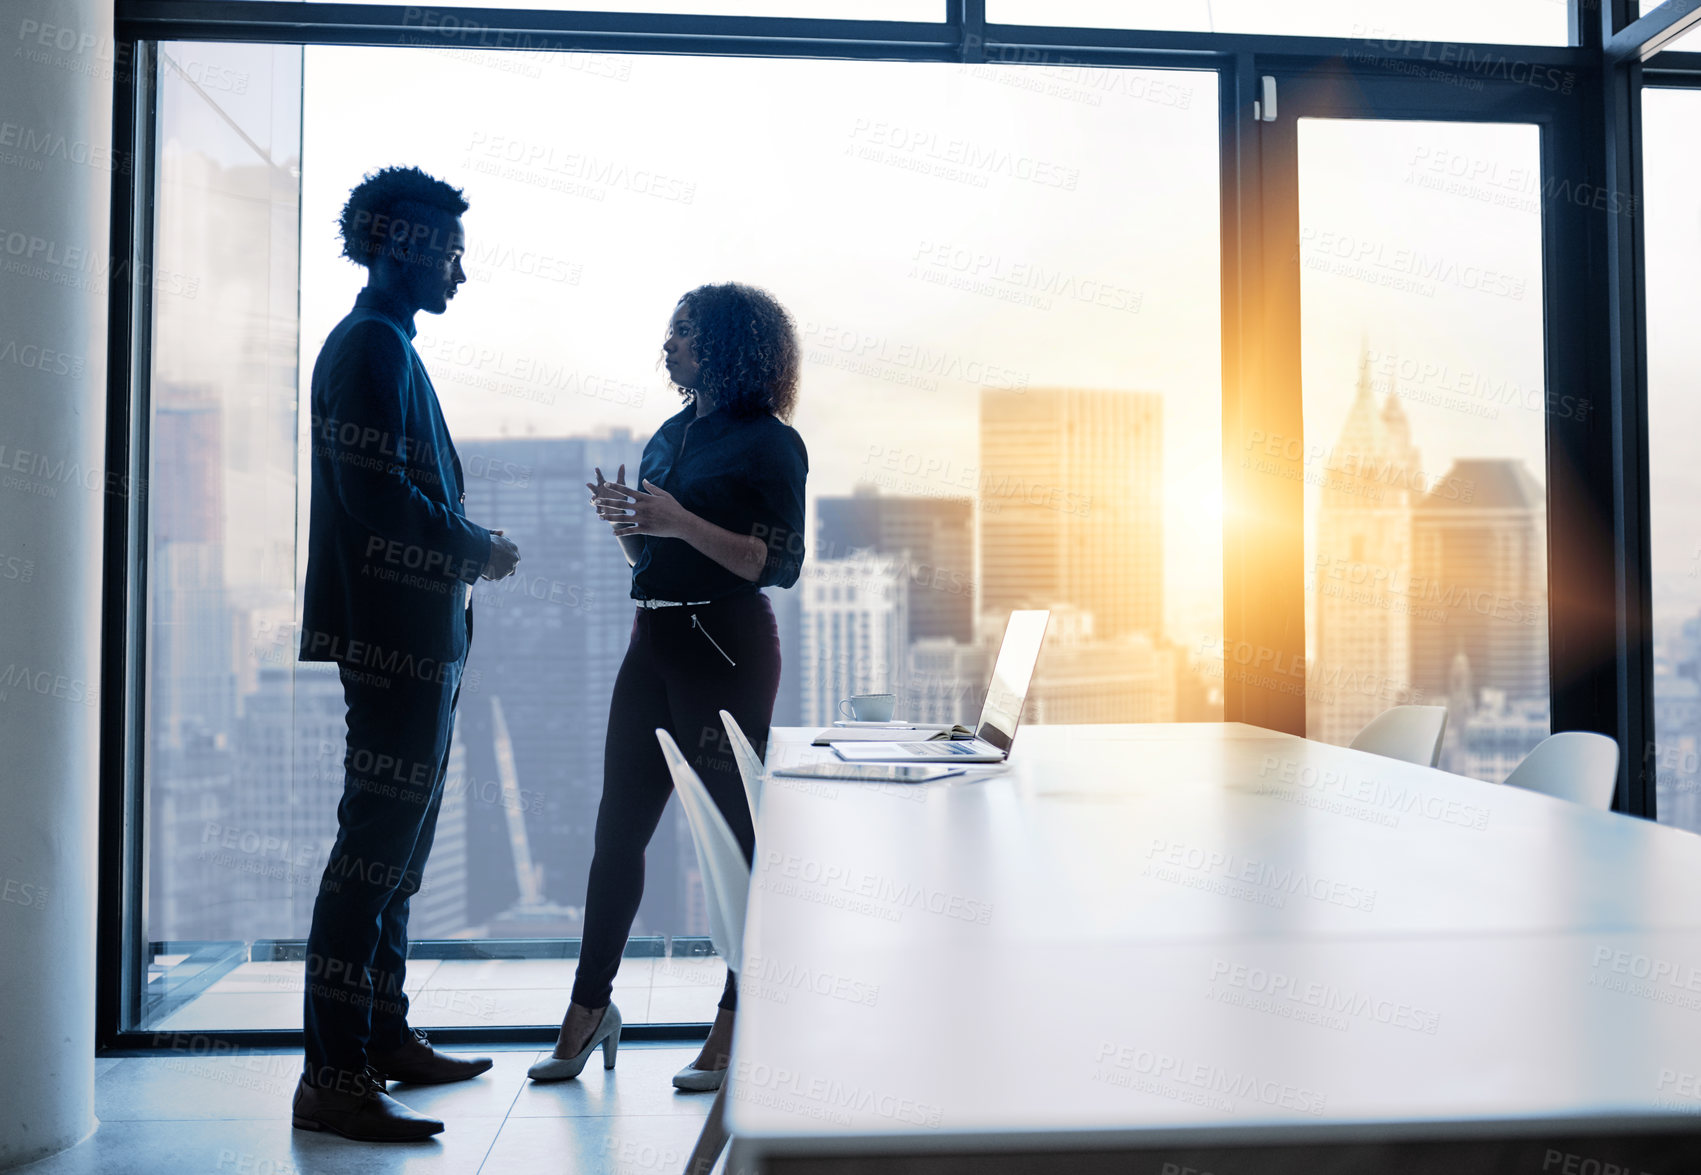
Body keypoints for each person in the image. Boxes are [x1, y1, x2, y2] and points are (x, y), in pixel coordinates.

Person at [528, 283, 807, 1090]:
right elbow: (649, 558)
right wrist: (630, 529)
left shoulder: (771, 444)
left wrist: (679, 519)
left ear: (727, 344)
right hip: (652, 637)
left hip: (725, 645)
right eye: (669, 331)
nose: (668, 344)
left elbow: (777, 564)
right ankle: (587, 1011)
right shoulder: (670, 432)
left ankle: (739, 1018)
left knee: (732, 838)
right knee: (619, 830)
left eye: (683, 333)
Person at [293, 166, 522, 1142]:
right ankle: (333, 1075)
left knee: (402, 850)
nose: (460, 272)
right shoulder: (369, 350)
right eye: (449, 250)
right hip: (393, 638)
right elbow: (376, 499)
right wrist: (476, 547)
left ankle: (382, 1038)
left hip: (417, 636)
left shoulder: (388, 347)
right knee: (372, 853)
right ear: (397, 240)